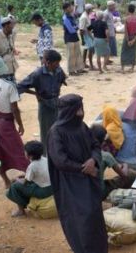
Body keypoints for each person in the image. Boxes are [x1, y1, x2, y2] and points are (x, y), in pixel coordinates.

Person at [47, 94, 107, 253]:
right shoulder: (56, 132)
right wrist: (82, 167)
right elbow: (60, 161)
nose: (82, 112)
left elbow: (95, 145)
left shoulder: (82, 127)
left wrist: (93, 160)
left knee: (95, 217)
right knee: (81, 220)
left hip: (89, 180)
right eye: (78, 109)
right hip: (70, 184)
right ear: (70, 111)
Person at [0, 55, 28, 188]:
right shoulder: (9, 86)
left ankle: (6, 181)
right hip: (6, 122)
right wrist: (20, 124)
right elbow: (15, 109)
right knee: (18, 149)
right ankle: (29, 175)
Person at [17, 50, 67, 154]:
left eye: (58, 63)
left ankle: (57, 151)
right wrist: (35, 93)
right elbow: (20, 86)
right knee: (46, 133)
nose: (58, 65)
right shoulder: (37, 74)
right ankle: (46, 156)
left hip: (56, 103)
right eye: (56, 63)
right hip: (45, 105)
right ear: (48, 63)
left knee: (58, 128)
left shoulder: (58, 70)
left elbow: (63, 78)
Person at [6, 141, 53, 217]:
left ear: (30, 156)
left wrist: (16, 179)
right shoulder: (45, 159)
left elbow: (25, 182)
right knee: (24, 183)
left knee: (14, 187)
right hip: (52, 187)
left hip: (44, 191)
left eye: (25, 151)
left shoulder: (32, 166)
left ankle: (21, 211)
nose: (24, 153)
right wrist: (23, 176)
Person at [62, 2, 85, 76]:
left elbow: (75, 26)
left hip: (75, 37)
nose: (72, 8)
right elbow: (71, 30)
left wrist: (76, 26)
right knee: (71, 55)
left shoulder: (71, 16)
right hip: (69, 38)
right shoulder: (65, 18)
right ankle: (71, 71)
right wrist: (77, 27)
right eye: (70, 7)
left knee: (78, 54)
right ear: (66, 9)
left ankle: (79, 68)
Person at [121, 3, 136, 73]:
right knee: (133, 52)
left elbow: (126, 31)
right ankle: (132, 68)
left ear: (128, 10)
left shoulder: (127, 19)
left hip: (127, 37)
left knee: (124, 52)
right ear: (134, 10)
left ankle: (123, 68)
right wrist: (133, 40)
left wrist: (128, 40)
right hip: (134, 37)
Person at [79, 4, 95, 70]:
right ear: (88, 9)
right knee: (91, 49)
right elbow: (81, 29)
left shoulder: (86, 15)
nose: (92, 10)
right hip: (86, 35)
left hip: (87, 34)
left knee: (86, 49)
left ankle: (84, 63)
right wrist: (82, 40)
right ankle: (91, 65)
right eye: (91, 9)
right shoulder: (84, 17)